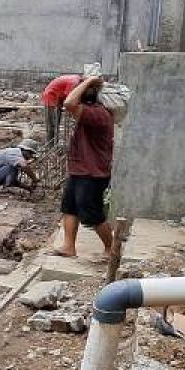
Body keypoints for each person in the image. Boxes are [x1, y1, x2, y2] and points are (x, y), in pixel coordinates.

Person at [53, 75, 114, 258]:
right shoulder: (91, 111)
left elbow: (69, 103)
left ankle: (111, 248)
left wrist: (88, 81)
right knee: (69, 207)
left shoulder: (97, 114)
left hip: (92, 173)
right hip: (81, 170)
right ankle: (68, 247)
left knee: (91, 214)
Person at [42, 72, 83, 145]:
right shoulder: (74, 82)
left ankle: (55, 143)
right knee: (52, 125)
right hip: (51, 97)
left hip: (58, 98)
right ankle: (50, 145)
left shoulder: (77, 79)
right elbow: (69, 99)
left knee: (56, 123)